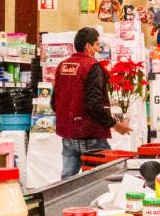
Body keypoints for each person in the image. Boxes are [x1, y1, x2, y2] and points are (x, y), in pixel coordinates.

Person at [51, 27, 131, 179]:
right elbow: (93, 104)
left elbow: (54, 102)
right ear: (88, 46)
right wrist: (114, 124)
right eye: (96, 45)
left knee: (66, 184)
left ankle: (67, 204)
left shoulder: (62, 66)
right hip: (90, 135)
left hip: (68, 136)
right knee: (104, 179)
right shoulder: (92, 67)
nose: (98, 49)